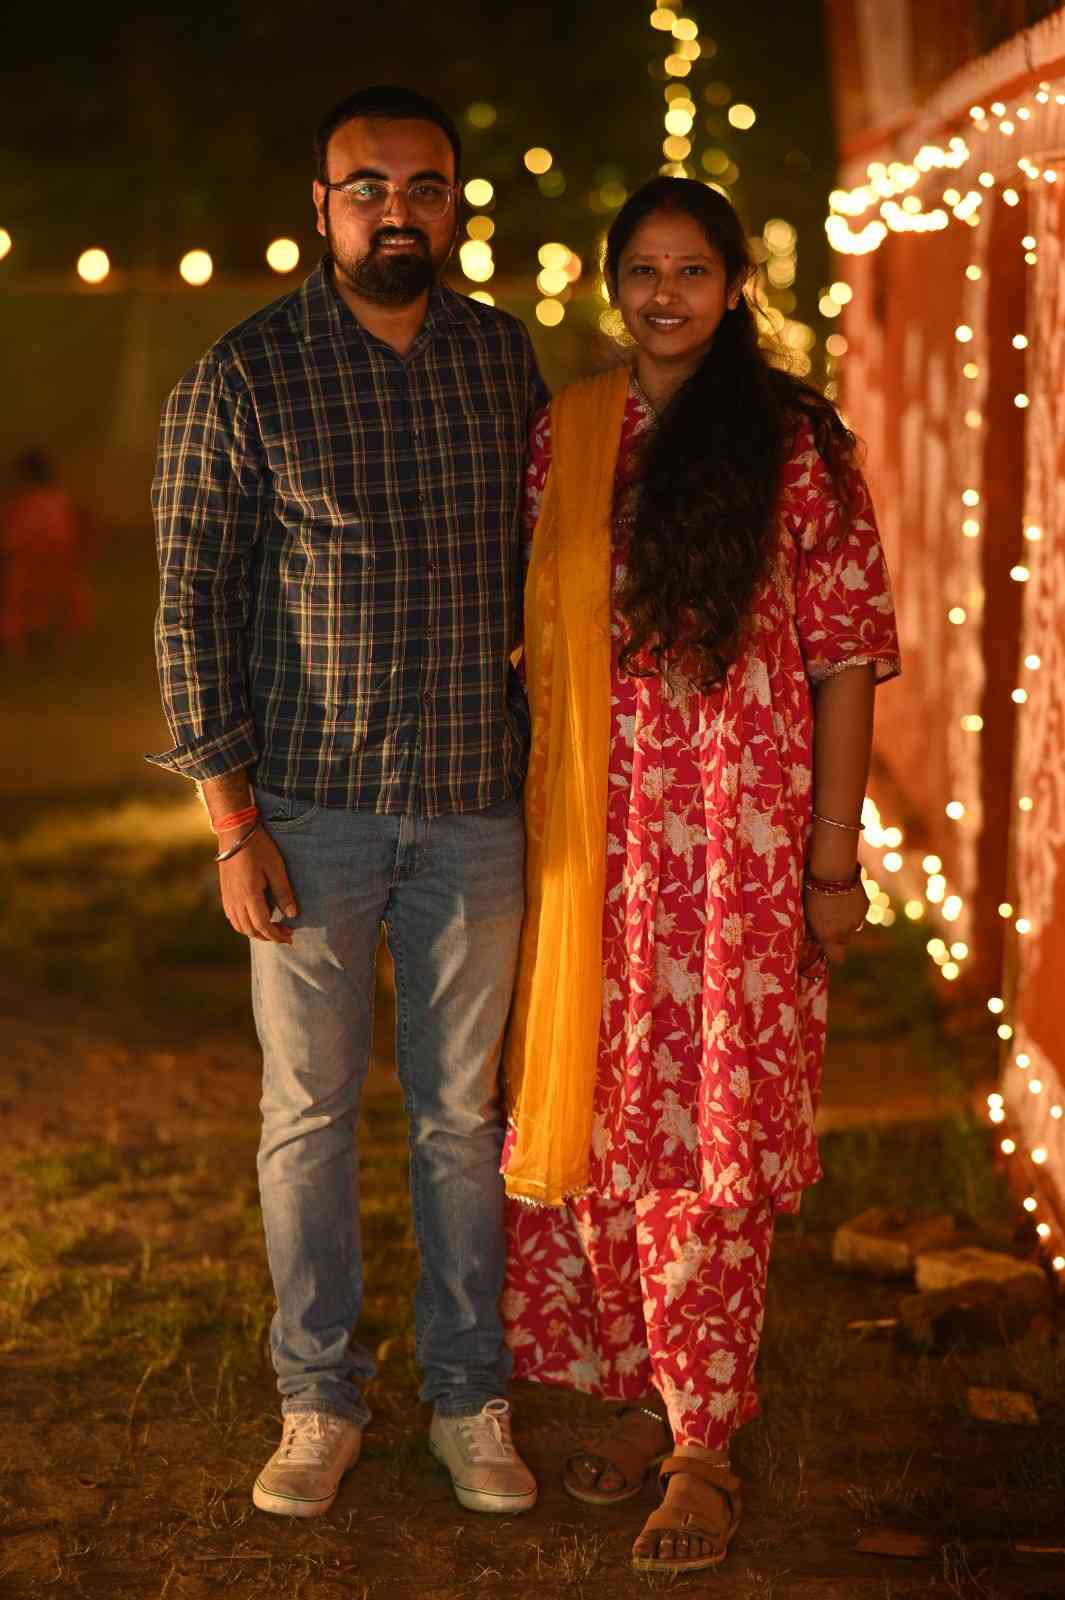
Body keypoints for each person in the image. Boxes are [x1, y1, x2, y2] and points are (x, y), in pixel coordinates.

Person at [151, 85, 547, 1520]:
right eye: (366, 187)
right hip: (307, 815)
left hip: (472, 811)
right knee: (307, 1116)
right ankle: (316, 1398)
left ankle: (468, 1397)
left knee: (459, 1121)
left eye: (425, 186)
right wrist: (230, 822)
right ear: (320, 209)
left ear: (456, 203)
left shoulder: (504, 366)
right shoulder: (244, 377)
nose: (399, 210)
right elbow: (189, 603)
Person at [500, 177, 900, 1574]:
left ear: (734, 285)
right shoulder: (572, 433)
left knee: (711, 1142)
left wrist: (831, 856)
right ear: (614, 284)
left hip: (735, 846)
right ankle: (630, 1382)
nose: (663, 295)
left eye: (690, 271)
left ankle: (704, 1440)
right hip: (592, 847)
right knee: (604, 1119)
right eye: (641, 271)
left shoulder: (795, 443)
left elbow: (847, 653)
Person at [0, 449, 87, 655]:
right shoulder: (60, 502)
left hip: (29, 573)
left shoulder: (23, 506)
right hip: (59, 572)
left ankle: (20, 644)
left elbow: (11, 541)